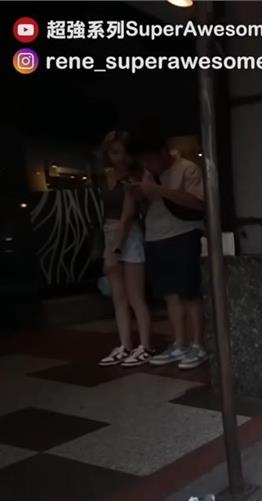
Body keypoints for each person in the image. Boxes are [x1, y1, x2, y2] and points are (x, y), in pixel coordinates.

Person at [128, 131, 209, 370]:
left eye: (149, 159)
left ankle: (198, 344)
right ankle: (179, 343)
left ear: (163, 152)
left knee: (189, 292)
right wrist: (139, 195)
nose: (146, 164)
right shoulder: (148, 174)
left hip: (183, 234)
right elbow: (147, 204)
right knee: (169, 294)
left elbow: (199, 203)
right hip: (155, 236)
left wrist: (159, 189)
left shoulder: (187, 169)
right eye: (142, 160)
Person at [97, 131, 153, 367]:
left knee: (134, 296)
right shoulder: (105, 177)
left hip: (129, 236)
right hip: (111, 233)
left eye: (124, 152)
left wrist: (115, 249)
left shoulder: (133, 178)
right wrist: (109, 248)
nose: (120, 158)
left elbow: (128, 215)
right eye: (114, 152)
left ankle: (145, 345)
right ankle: (125, 344)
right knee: (118, 297)